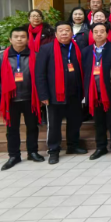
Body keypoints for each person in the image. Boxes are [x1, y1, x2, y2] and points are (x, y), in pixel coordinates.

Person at [0, 26, 44, 170]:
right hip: (10, 100)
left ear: (27, 39)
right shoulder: (0, 58)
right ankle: (14, 155)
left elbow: (41, 78)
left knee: (32, 127)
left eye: (23, 37)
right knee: (12, 130)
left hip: (30, 99)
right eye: (16, 37)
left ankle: (32, 152)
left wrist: (42, 97)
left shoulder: (35, 56)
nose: (19, 39)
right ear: (10, 39)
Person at [36, 21, 86, 164]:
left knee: (75, 121)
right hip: (54, 95)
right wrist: (43, 95)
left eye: (67, 30)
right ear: (56, 34)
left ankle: (73, 145)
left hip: (74, 93)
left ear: (72, 33)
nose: (64, 33)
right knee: (54, 124)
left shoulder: (77, 47)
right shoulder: (46, 49)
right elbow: (39, 74)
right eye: (61, 30)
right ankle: (53, 150)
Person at [82, 23, 111, 160]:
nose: (99, 34)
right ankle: (101, 147)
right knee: (98, 122)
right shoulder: (86, 51)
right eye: (96, 31)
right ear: (92, 34)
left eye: (102, 31)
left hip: (110, 91)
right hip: (93, 92)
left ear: (107, 33)